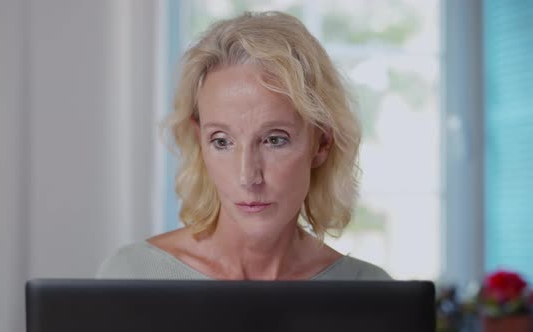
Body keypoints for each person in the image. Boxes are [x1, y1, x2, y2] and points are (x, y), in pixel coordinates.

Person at [98, 11, 390, 281]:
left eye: (274, 140)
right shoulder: (133, 275)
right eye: (222, 141)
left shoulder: (371, 292)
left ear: (321, 143)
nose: (247, 177)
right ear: (199, 139)